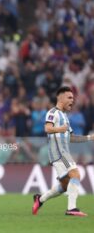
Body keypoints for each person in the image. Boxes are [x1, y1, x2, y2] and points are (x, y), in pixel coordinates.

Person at [32, 86, 94, 217]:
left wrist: (90, 137)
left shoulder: (65, 117)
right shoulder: (52, 113)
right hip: (59, 152)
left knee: (65, 185)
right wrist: (60, 129)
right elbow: (47, 129)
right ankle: (72, 208)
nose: (73, 100)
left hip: (63, 153)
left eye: (73, 98)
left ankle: (40, 199)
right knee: (76, 175)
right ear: (60, 98)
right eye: (69, 97)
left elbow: (72, 137)